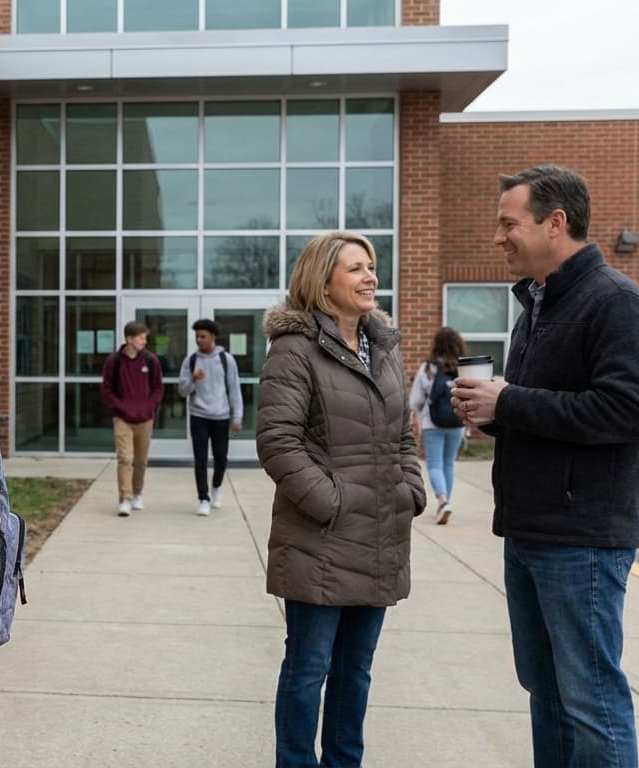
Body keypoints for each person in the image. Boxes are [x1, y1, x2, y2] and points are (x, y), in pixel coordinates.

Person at [452, 164, 639, 768]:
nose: (498, 238)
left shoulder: (616, 304)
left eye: (508, 224)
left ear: (556, 222)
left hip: (582, 540)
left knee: (590, 701)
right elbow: (551, 411)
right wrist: (492, 415)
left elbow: (628, 411)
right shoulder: (536, 309)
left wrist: (510, 400)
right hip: (530, 531)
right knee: (546, 695)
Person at [256, 231, 426, 767]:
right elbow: (277, 443)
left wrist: (410, 490)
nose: (370, 276)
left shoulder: (385, 349)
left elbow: (402, 434)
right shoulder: (294, 350)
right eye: (355, 268)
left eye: (371, 266)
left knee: (356, 669)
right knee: (309, 668)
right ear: (321, 280)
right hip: (320, 542)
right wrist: (332, 502)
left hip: (379, 537)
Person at [177, 318, 243, 516]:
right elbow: (182, 391)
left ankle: (216, 485)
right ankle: (203, 498)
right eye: (197, 336)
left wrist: (237, 418)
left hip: (221, 416)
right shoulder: (191, 361)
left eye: (203, 336)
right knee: (200, 459)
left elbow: (234, 390)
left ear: (213, 337)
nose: (199, 340)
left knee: (221, 458)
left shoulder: (226, 360)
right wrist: (193, 380)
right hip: (198, 416)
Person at [100, 320, 163, 516]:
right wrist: (121, 408)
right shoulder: (114, 361)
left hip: (145, 419)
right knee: (125, 458)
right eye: (141, 337)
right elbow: (107, 390)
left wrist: (149, 407)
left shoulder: (151, 361)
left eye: (145, 337)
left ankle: (137, 493)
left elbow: (158, 389)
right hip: (123, 419)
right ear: (129, 339)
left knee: (141, 460)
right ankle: (124, 499)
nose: (144, 341)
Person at [408, 326, 469, 524]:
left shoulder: (428, 368)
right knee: (449, 463)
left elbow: (415, 400)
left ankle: (442, 502)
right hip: (457, 422)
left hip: (432, 423)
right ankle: (446, 502)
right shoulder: (464, 369)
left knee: (434, 464)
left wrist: (414, 417)